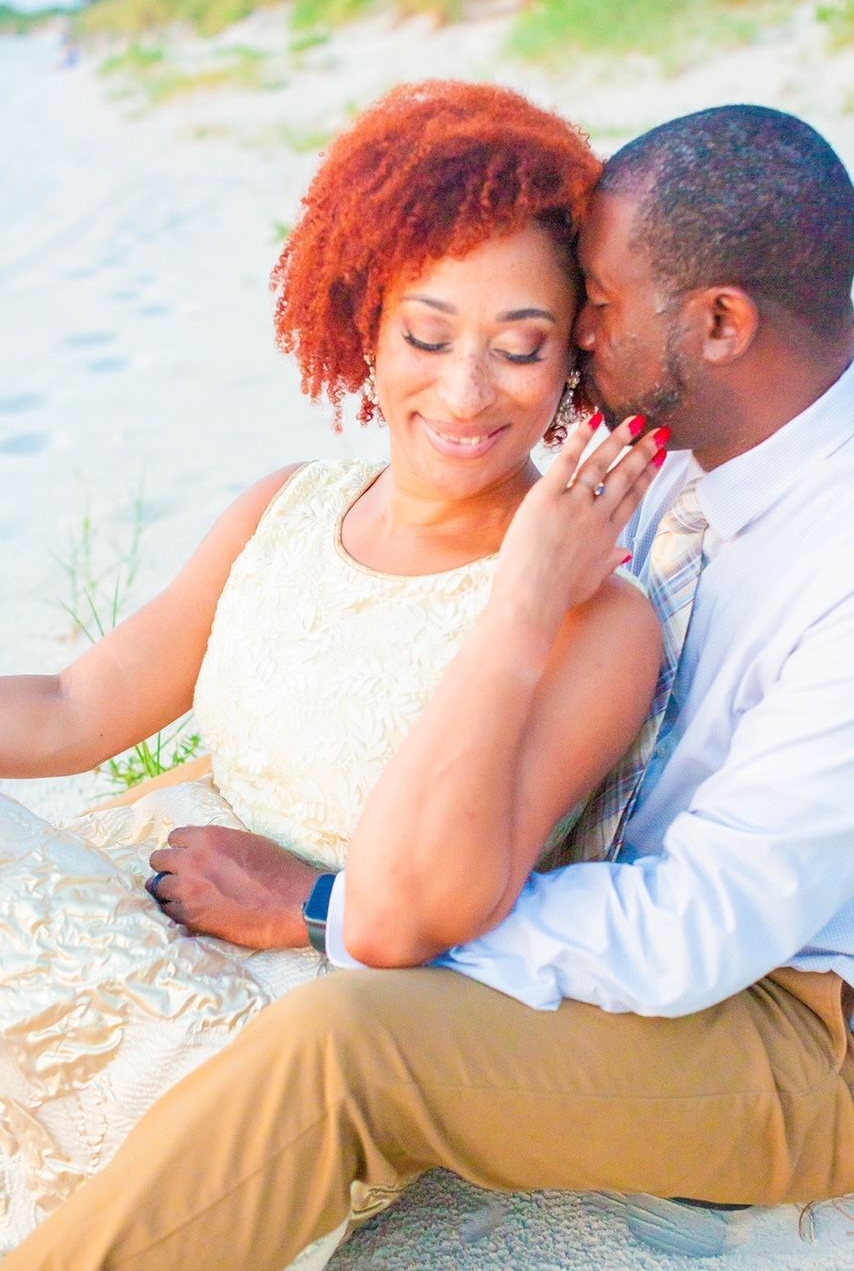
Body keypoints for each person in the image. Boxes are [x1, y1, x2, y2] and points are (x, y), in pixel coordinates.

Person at [8, 101, 852, 1271]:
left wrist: (323, 907)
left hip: (796, 1029)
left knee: (349, 1045)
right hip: (623, 935)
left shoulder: (830, 562)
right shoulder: (670, 463)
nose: (570, 348)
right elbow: (82, 700)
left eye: (582, 316)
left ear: (718, 323)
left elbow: (693, 933)